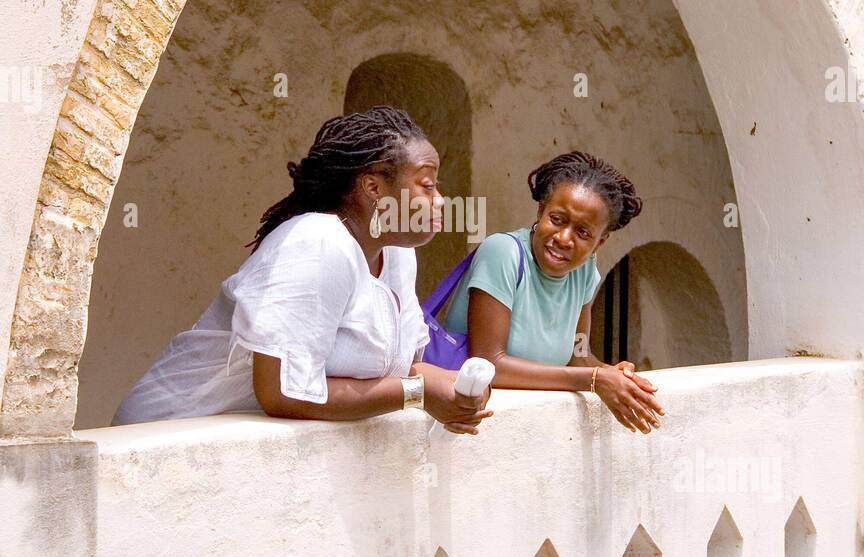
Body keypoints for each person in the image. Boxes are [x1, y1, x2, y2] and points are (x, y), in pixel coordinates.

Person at [112, 107, 493, 435]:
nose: (439, 200)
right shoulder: (317, 244)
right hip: (170, 440)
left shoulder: (395, 255)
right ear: (373, 187)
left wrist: (453, 389)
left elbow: (397, 368)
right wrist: (418, 393)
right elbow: (283, 392)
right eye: (425, 185)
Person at [444, 150, 664, 434]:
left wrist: (612, 373)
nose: (563, 238)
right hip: (471, 426)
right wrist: (594, 379)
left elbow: (578, 355)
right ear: (541, 211)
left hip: (533, 430)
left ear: (600, 242)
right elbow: (491, 362)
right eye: (557, 219)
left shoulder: (584, 270)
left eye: (583, 233)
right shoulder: (503, 253)